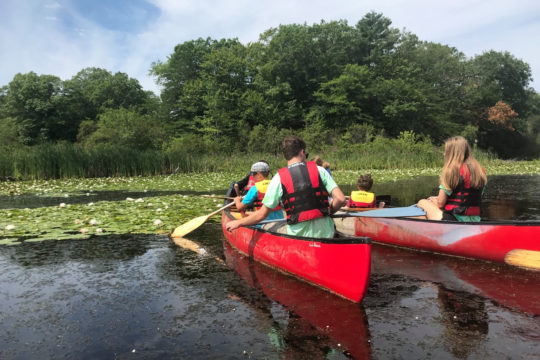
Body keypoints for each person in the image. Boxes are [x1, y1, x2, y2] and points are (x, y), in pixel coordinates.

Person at [226, 135, 346, 238]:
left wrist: (239, 223)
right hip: (325, 233)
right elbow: (340, 199)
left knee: (266, 225)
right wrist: (328, 212)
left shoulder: (278, 178)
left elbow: (261, 215)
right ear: (302, 152)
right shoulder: (320, 170)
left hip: (297, 236)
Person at [417, 136, 487, 221]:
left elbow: (440, 204)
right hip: (475, 219)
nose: (444, 154)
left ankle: (421, 230)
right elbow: (472, 198)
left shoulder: (451, 171)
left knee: (422, 202)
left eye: (446, 151)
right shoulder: (480, 172)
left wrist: (432, 200)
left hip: (453, 219)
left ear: (452, 153)